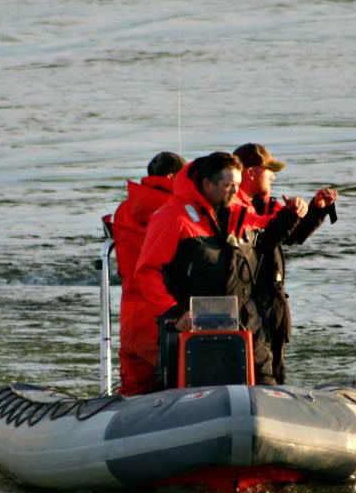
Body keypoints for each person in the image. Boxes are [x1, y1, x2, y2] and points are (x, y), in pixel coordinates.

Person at [125, 151, 307, 395]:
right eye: (228, 185)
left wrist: (292, 214)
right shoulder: (173, 217)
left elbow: (267, 235)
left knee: (265, 390)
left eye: (238, 185)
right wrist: (175, 313)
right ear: (207, 184)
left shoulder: (241, 212)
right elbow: (147, 272)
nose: (234, 191)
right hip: (194, 329)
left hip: (248, 325)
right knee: (195, 396)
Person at [233, 143, 338, 385]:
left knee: (276, 371)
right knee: (258, 373)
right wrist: (289, 215)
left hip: (274, 303)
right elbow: (262, 239)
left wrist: (315, 211)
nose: (273, 176)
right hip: (251, 305)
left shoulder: (268, 205)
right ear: (250, 172)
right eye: (268, 170)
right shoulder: (236, 209)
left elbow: (292, 235)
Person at [113, 151, 186, 396]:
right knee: (176, 387)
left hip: (131, 312)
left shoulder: (124, 210)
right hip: (163, 310)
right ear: (172, 176)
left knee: (134, 387)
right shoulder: (176, 209)